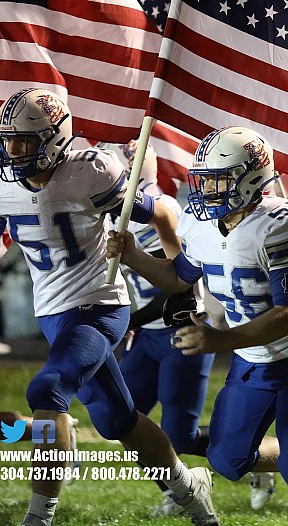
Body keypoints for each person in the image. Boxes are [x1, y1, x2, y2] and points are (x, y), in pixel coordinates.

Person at [0, 88, 220, 526]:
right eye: (7, 141)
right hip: (51, 312)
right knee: (116, 420)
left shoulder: (89, 172)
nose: (13, 152)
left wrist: (175, 268)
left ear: (55, 139)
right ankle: (188, 487)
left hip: (98, 304)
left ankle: (35, 516)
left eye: (25, 142)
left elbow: (161, 210)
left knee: (46, 390)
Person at [108, 126, 288, 526]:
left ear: (252, 178)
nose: (208, 189)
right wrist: (132, 256)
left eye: (219, 179)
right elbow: (179, 277)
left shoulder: (282, 223)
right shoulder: (202, 224)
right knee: (226, 460)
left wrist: (220, 339)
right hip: (254, 353)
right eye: (205, 180)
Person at [103, 140, 216, 516]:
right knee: (122, 419)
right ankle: (179, 488)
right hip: (147, 334)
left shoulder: (163, 209)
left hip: (177, 328)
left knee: (179, 433)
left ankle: (254, 459)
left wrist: (126, 319)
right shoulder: (111, 211)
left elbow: (179, 285)